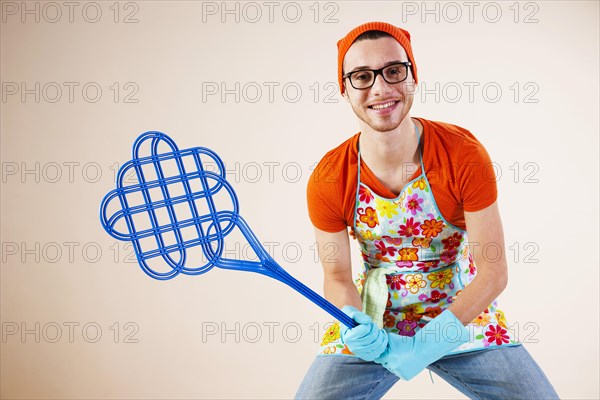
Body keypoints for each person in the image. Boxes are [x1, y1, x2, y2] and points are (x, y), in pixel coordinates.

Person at [294, 22, 559, 400]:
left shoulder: (462, 155)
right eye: (362, 76)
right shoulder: (330, 176)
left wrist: (430, 343)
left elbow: (493, 271)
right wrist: (354, 322)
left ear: (413, 75)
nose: (381, 88)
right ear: (344, 88)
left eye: (394, 71)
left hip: (461, 309)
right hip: (376, 315)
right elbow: (336, 275)